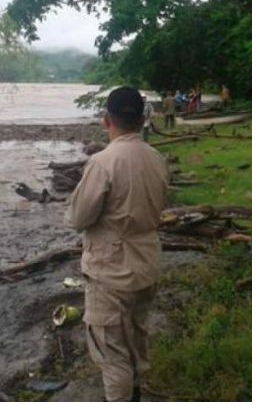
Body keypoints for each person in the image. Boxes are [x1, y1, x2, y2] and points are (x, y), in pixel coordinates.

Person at [66, 86, 169, 401]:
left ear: (106, 120)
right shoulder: (157, 159)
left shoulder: (102, 162)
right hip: (146, 264)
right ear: (142, 119)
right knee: (136, 338)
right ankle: (135, 396)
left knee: (112, 353)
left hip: (110, 272)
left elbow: (79, 218)